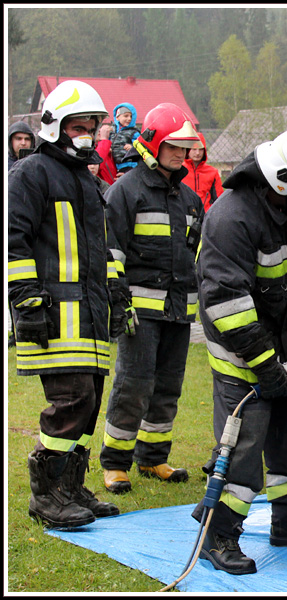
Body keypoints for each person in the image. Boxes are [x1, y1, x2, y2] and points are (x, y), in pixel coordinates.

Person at [192, 128, 287, 575]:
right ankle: (217, 536)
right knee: (243, 443)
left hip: (285, 340)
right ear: (284, 183)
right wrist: (265, 367)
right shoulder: (231, 220)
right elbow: (227, 305)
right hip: (241, 351)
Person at [8, 80, 120, 528]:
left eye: (92, 126)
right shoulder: (31, 173)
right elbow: (12, 242)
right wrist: (26, 301)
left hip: (90, 313)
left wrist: (117, 293)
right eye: (78, 125)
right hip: (52, 313)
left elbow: (99, 248)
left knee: (89, 403)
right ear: (55, 127)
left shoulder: (85, 178)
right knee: (72, 399)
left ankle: (71, 487)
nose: (87, 134)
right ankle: (46, 496)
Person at [99, 103, 203, 494]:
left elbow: (195, 254)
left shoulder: (190, 200)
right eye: (174, 147)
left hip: (178, 309)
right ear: (153, 145)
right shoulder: (125, 191)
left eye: (185, 148)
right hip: (139, 311)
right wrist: (118, 299)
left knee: (168, 385)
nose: (181, 154)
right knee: (133, 383)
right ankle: (115, 462)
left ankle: (153, 457)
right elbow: (111, 252)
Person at [181, 132, 224, 212]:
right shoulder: (179, 170)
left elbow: (220, 199)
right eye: (194, 149)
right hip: (184, 215)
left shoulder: (212, 172)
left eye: (201, 149)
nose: (197, 153)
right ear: (188, 150)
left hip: (206, 216)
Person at [110, 102, 141, 175]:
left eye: (131, 116)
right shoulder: (112, 131)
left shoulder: (134, 132)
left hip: (130, 164)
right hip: (116, 164)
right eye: (126, 116)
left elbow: (141, 146)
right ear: (117, 117)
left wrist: (133, 148)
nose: (129, 119)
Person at [94, 120, 117, 185]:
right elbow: (97, 164)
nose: (99, 131)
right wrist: (104, 140)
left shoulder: (106, 148)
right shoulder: (102, 147)